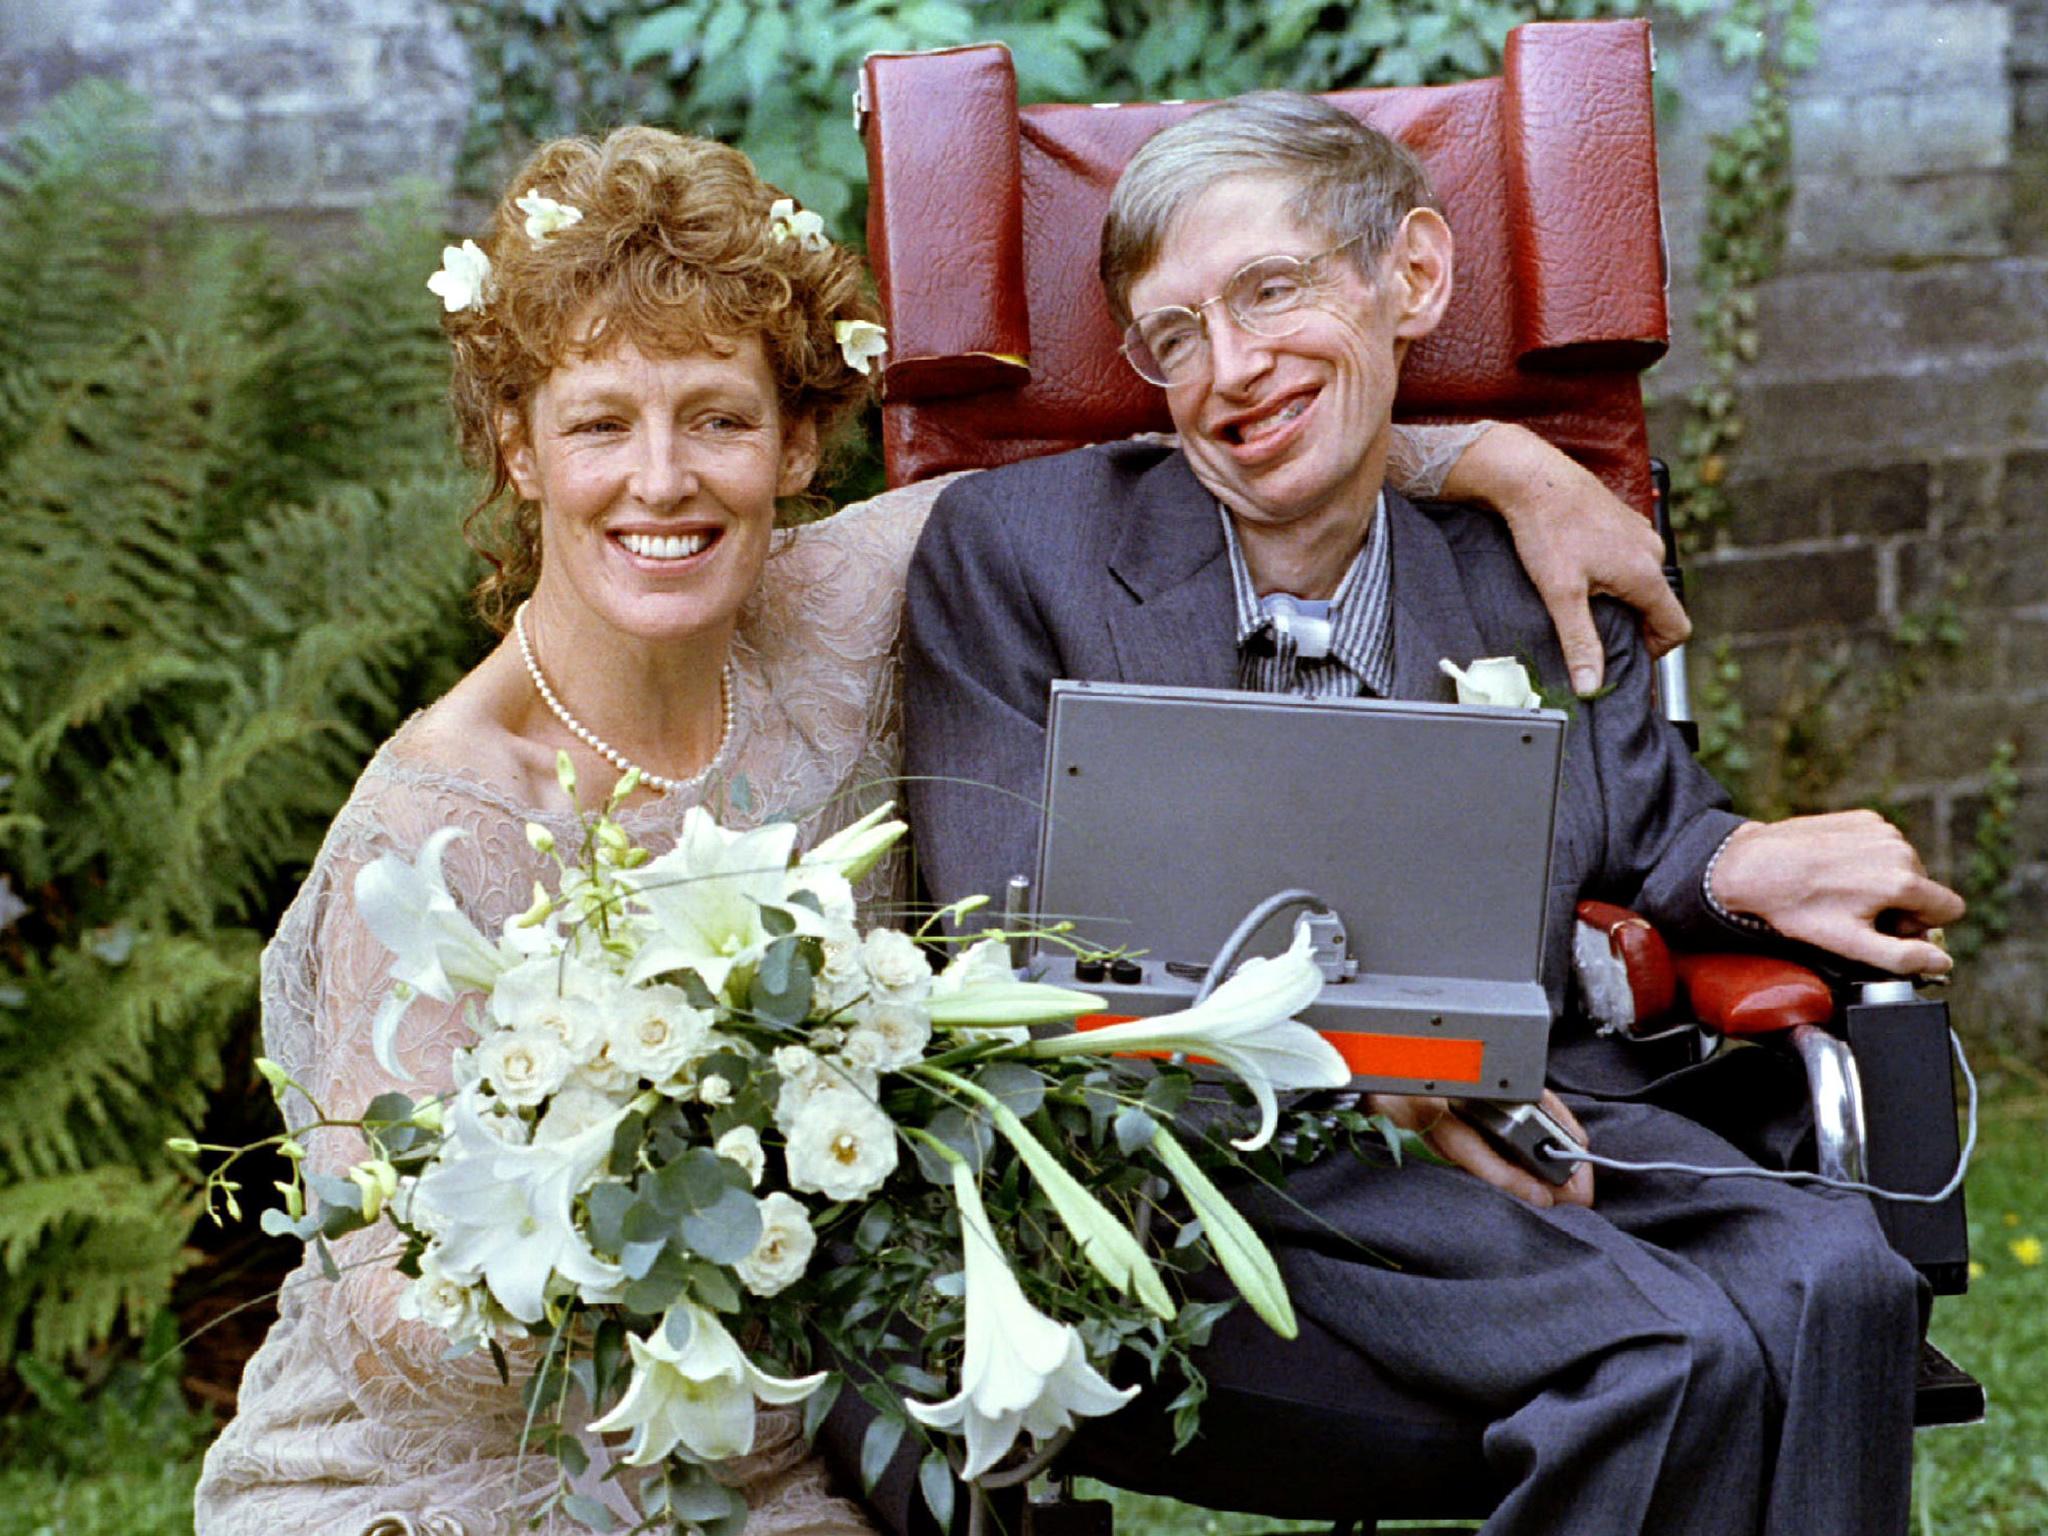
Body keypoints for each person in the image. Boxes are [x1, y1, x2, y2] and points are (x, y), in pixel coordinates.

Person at [191, 123, 1683, 1535]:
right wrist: (727, 1189)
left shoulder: (854, 595)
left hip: (790, 1453)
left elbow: (1224, 453)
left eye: (718, 417)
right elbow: (400, 1320)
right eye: (600, 426)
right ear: (520, 454)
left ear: (794, 447)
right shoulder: (442, 826)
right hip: (489, 1474)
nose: (663, 481)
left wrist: (1502, 463)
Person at [899, 94, 1965, 1535]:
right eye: (1174, 338)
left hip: (1535, 1115)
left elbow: (1643, 832)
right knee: (1678, 1356)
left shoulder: (1522, 572)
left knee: (1846, 1278)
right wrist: (1362, 1064)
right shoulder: (1018, 554)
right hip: (1217, 1158)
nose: (1232, 369)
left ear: (1412, 277)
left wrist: (1741, 870)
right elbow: (1008, 935)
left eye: (1271, 292)